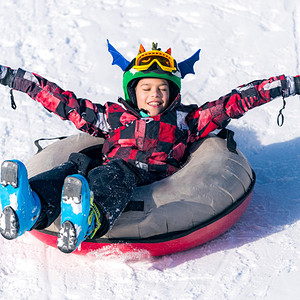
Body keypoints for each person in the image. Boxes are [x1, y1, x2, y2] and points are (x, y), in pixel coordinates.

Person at [0, 41, 299, 254]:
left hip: (141, 178)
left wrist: (284, 85)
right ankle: (31, 206)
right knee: (74, 165)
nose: (154, 95)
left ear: (173, 93)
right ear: (134, 91)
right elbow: (65, 103)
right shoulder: (111, 117)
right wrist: (15, 79)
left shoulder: (187, 121)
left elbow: (236, 101)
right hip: (100, 170)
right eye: (146, 88)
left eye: (162, 88)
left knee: (115, 173)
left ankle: (89, 218)